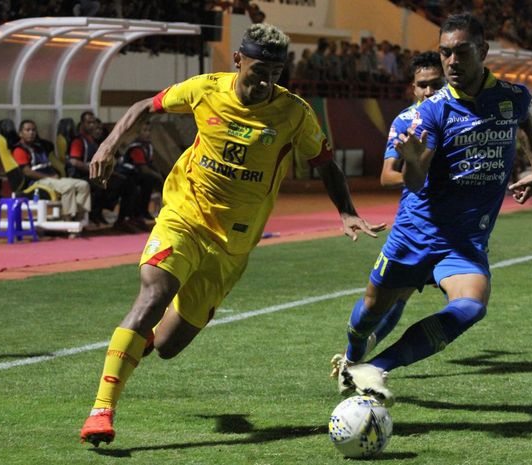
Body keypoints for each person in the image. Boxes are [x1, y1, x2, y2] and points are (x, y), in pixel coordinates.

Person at [80, 23, 384, 447]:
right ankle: (102, 410)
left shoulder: (293, 113)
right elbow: (145, 107)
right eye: (259, 70)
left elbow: (325, 163)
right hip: (185, 214)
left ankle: (141, 338)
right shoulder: (205, 88)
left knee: (167, 345)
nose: (266, 81)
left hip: (232, 245)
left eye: (276, 73)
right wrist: (110, 144)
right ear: (238, 60)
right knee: (153, 294)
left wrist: (348, 212)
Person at [330, 13, 532, 406]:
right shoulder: (430, 112)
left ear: (482, 51)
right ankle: (354, 353)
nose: (451, 61)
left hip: (463, 241)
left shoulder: (512, 97)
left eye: (460, 52)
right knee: (373, 311)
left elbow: (524, 119)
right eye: (445, 53)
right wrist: (413, 160)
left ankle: (375, 367)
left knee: (471, 305)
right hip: (417, 234)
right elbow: (411, 182)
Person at [381, 51, 446, 189]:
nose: (429, 92)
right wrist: (417, 176)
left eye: (436, 84)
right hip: (416, 209)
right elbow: (386, 177)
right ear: (414, 89)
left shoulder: (461, 114)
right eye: (422, 85)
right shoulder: (403, 121)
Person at [69, 111, 140, 231]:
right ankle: (95, 215)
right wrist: (94, 170)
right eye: (89, 122)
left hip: (97, 175)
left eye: (93, 122)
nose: (92, 125)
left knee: (129, 184)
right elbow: (74, 162)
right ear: (82, 124)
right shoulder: (79, 141)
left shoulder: (95, 141)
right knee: (100, 185)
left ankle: (121, 219)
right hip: (83, 176)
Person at [11, 120, 91, 220]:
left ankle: (79, 218)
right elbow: (27, 172)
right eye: (27, 130)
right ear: (20, 133)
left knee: (84, 185)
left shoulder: (39, 147)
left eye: (33, 130)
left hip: (52, 179)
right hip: (37, 182)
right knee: (67, 187)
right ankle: (67, 220)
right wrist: (50, 177)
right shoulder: (19, 150)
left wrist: (53, 176)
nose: (31, 132)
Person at [116, 120, 164, 221]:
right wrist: (158, 176)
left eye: (149, 130)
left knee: (154, 180)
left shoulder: (148, 146)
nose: (148, 133)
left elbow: (151, 164)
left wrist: (160, 174)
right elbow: (143, 168)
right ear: (138, 133)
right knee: (147, 182)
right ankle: (133, 216)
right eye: (145, 130)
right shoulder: (136, 147)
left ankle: (145, 212)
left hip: (138, 176)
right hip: (127, 175)